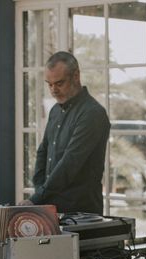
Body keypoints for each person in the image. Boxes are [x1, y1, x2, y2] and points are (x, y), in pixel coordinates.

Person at [21, 51, 110, 215]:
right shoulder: (55, 111)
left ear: (76, 76)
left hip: (81, 212)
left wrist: (37, 198)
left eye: (59, 83)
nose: (53, 90)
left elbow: (71, 162)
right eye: (49, 84)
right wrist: (40, 189)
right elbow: (43, 151)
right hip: (51, 209)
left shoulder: (92, 113)